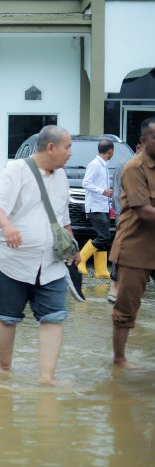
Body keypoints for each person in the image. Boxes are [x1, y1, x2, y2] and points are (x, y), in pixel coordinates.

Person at [0, 125, 78, 384]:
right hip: (11, 260)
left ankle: (46, 378)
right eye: (67, 147)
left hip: (51, 263)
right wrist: (8, 226)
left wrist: (72, 244)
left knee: (54, 318)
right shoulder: (16, 170)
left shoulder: (61, 177)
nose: (71, 153)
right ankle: (4, 372)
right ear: (51, 147)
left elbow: (62, 217)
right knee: (7, 317)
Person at [108, 117, 155, 368]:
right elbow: (144, 211)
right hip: (135, 248)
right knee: (126, 309)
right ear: (143, 141)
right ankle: (119, 359)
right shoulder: (133, 167)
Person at [108, 142, 143, 303]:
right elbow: (116, 193)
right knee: (121, 251)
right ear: (139, 147)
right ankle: (114, 285)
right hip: (127, 216)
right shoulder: (125, 166)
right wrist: (120, 217)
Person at [77, 140, 115, 278]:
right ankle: (80, 260)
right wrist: (102, 191)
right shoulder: (94, 164)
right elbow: (85, 183)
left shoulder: (104, 165)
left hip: (104, 206)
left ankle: (101, 271)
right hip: (95, 207)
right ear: (110, 151)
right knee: (104, 237)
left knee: (103, 237)